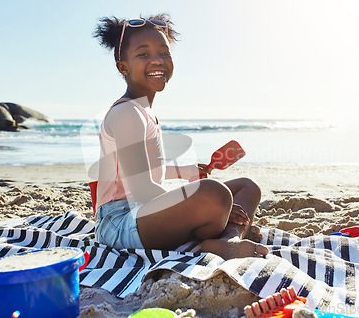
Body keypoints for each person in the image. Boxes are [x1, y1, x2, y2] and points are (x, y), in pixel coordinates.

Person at [92, 14, 269, 260]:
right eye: (143, 54)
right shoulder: (127, 113)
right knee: (214, 194)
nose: (157, 60)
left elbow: (146, 170)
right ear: (123, 67)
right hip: (120, 223)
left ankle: (227, 240)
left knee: (247, 187)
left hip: (145, 212)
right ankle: (222, 232)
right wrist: (204, 202)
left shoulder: (144, 111)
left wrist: (186, 172)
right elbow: (142, 189)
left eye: (164, 53)